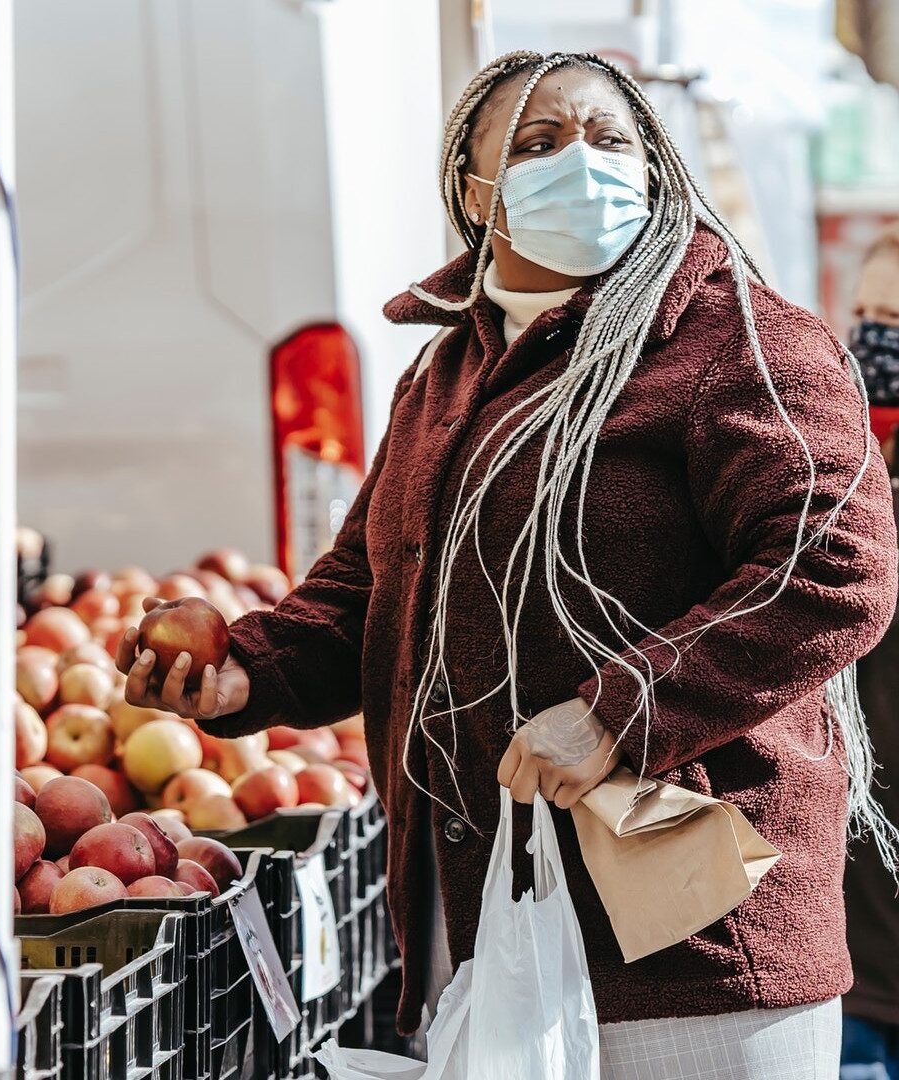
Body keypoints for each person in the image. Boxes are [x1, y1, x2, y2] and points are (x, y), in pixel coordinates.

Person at [119, 51, 899, 1079]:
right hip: (485, 912)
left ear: (657, 166)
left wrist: (622, 711)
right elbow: (368, 590)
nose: (583, 165)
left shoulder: (738, 340)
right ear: (476, 195)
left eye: (611, 140)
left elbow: (831, 569)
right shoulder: (449, 373)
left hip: (688, 943)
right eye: (538, 145)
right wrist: (245, 672)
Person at [841, 227, 899, 1080]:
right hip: (858, 934)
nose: (873, 336)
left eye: (894, 316)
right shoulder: (844, 458)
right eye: (864, 313)